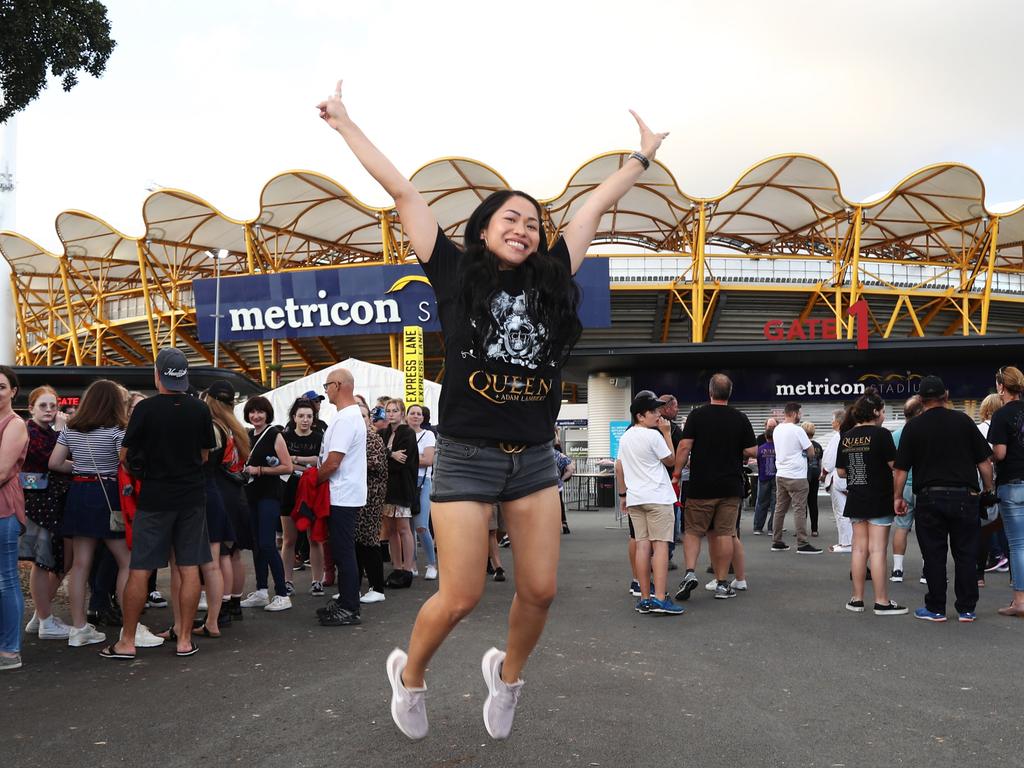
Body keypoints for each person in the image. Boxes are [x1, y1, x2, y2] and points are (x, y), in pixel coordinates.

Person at [318, 79, 669, 739]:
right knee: (461, 595)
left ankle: (507, 679)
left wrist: (640, 158)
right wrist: (344, 122)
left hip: (534, 460)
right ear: (484, 229)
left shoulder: (553, 278)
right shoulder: (451, 271)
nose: (524, 228)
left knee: (539, 591)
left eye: (533, 222)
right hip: (468, 457)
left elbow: (590, 208)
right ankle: (412, 676)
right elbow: (404, 193)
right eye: (510, 218)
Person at [104, 348, 217, 659]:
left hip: (154, 498)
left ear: (158, 375)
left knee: (140, 567)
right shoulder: (199, 410)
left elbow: (125, 455)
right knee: (189, 566)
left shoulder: (146, 410)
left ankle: (127, 641)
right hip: (192, 497)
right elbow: (205, 455)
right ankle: (183, 640)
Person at [893, 375, 994, 623]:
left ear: (920, 399)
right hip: (964, 496)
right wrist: (988, 491)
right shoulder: (964, 421)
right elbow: (985, 462)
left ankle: (936, 608)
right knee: (966, 553)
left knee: (934, 554)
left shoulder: (913, 427)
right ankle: (967, 608)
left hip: (929, 497)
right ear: (945, 395)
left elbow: (901, 469)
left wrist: (897, 497)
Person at [48, 379, 138, 649]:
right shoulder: (117, 432)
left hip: (79, 493)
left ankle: (78, 628)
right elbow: (126, 463)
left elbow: (54, 462)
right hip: (108, 495)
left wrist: (80, 469)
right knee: (127, 561)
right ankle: (130, 626)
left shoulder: (71, 430)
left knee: (80, 563)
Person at [672, 374, 756, 601]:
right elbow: (753, 451)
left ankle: (689, 572)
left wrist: (677, 475)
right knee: (726, 533)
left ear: (710, 392)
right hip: (730, 486)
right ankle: (721, 582)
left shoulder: (697, 415)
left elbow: (684, 447)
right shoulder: (740, 418)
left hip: (701, 485)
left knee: (692, 531)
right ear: (729, 393)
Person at [834, 392, 907, 616]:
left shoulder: (846, 436)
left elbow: (841, 471)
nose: (884, 415)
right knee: (877, 550)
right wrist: (897, 494)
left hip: (856, 498)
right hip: (879, 497)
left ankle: (856, 599)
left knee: (858, 549)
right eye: (883, 411)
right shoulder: (882, 435)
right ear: (875, 412)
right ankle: (882, 602)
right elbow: (895, 466)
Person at [615, 394, 684, 615]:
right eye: (653, 411)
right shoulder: (653, 436)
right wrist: (665, 433)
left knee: (642, 546)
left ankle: (645, 598)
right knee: (661, 545)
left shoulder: (626, 437)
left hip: (636, 498)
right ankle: (661, 598)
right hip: (658, 497)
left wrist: (623, 494)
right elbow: (671, 461)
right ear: (640, 415)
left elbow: (620, 466)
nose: (658, 414)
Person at [19, 386, 72, 640]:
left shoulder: (45, 431)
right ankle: (44, 619)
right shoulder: (30, 432)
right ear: (31, 408)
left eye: (53, 406)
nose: (50, 410)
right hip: (38, 504)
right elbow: (53, 459)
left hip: (53, 503)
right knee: (42, 562)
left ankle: (41, 615)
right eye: (44, 406)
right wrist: (63, 433)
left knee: (59, 561)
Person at [315, 368, 367, 626]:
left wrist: (313, 480)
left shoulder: (347, 418)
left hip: (342, 494)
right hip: (344, 492)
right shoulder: (347, 416)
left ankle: (349, 606)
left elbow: (333, 461)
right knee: (342, 550)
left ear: (337, 385)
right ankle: (347, 601)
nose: (326, 391)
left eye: (327, 386)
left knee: (344, 552)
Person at [239, 396, 294, 611]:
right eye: (252, 412)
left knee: (267, 543)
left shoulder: (274, 434)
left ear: (267, 413)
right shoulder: (247, 434)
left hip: (269, 494)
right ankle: (261, 590)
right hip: (250, 494)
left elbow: (288, 466)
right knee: (256, 544)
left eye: (260, 411)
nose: (256, 416)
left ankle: (282, 593)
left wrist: (260, 470)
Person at [203, 382, 252, 622]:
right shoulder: (236, 428)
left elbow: (207, 463)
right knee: (233, 553)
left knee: (221, 554)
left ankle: (220, 609)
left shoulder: (215, 427)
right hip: (236, 493)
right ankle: (234, 603)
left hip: (220, 493)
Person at [988, 366, 1024, 617]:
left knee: (1018, 545)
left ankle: (1020, 601)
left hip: (1012, 484)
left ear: (1002, 387)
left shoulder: (1002, 416)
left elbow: (999, 453)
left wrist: (988, 456)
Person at [0, 366, 29, 671]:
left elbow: (3, 471)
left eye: (1, 387)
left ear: (13, 391)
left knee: (5, 579)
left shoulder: (15, 424)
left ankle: (10, 650)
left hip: (4, 508)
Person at [281, 398, 325, 594]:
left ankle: (317, 581)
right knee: (289, 539)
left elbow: (319, 462)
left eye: (309, 416)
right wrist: (305, 465)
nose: (305, 420)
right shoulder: (284, 437)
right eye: (301, 416)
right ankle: (287, 581)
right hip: (288, 491)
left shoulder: (319, 437)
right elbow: (282, 465)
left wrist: (295, 460)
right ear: (294, 417)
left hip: (311, 491)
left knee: (314, 538)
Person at [770, 402, 821, 554]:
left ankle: (776, 541)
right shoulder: (798, 430)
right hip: (797, 476)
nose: (801, 416)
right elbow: (811, 452)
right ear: (793, 413)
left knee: (780, 509)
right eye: (800, 413)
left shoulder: (777, 429)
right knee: (799, 509)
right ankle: (802, 543)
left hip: (781, 474)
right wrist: (803, 453)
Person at [380, 398, 419, 583]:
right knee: (390, 530)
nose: (391, 413)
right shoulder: (384, 433)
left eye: (395, 410)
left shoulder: (408, 433)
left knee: (404, 528)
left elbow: (402, 462)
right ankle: (396, 567)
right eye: (388, 410)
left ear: (402, 413)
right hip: (386, 488)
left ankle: (408, 568)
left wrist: (388, 458)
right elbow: (378, 457)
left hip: (402, 487)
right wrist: (390, 454)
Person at [354, 402, 387, 604]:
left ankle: (377, 587)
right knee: (357, 543)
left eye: (364, 416)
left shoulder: (372, 438)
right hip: (358, 496)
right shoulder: (356, 438)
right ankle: (354, 588)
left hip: (371, 497)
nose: (361, 420)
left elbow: (375, 464)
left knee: (369, 542)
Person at [890, 396, 924, 581]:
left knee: (901, 528)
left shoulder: (895, 435)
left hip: (902, 487)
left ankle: (897, 570)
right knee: (927, 530)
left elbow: (893, 466)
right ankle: (927, 571)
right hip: (924, 487)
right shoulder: (926, 432)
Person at [406, 404, 437, 581]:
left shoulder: (428, 435)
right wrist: (417, 457)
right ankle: (412, 564)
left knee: (421, 525)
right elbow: (421, 458)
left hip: (422, 482)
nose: (416, 416)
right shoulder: (402, 433)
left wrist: (406, 458)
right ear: (407, 416)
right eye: (412, 413)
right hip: (405, 482)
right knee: (407, 527)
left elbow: (428, 460)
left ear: (423, 418)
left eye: (419, 414)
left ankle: (432, 564)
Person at [821, 408, 852, 553]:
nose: (831, 422)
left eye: (832, 419)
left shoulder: (838, 436)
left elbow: (830, 460)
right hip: (842, 478)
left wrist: (824, 472)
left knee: (841, 512)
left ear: (838, 421)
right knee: (843, 512)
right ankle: (844, 542)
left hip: (837, 478)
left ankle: (846, 543)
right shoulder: (846, 435)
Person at [752, 419, 777, 534]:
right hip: (776, 478)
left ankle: (758, 527)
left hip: (763, 478)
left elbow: (757, 461)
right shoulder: (779, 448)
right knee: (775, 503)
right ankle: (772, 528)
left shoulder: (760, 449)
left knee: (761, 502)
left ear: (765, 437)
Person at [802, 422, 823, 537]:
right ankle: (814, 529)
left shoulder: (802, 445)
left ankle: (801, 529)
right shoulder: (818, 446)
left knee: (802, 503)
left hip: (804, 475)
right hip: (815, 475)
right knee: (813, 502)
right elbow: (820, 461)